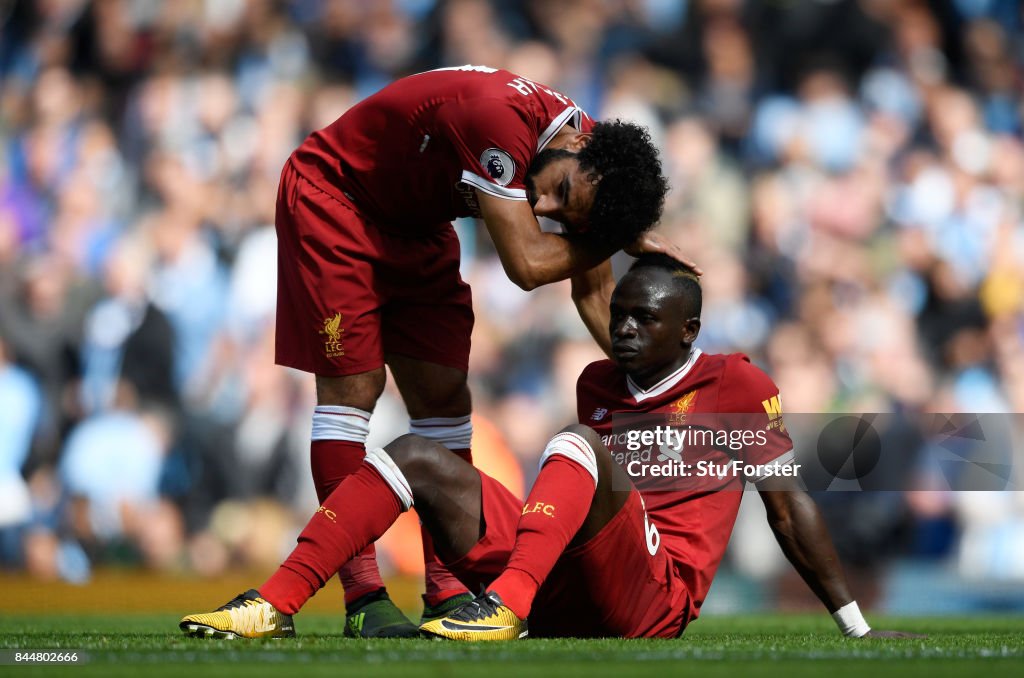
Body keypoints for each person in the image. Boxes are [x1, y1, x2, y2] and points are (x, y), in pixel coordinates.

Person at [180, 254, 915, 640]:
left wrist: (853, 625)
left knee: (580, 444)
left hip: (656, 599)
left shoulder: (739, 385)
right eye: (619, 316)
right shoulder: (599, 380)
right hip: (567, 580)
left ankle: (502, 604)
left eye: (643, 320)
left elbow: (788, 510)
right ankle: (273, 603)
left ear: (687, 332)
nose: (623, 330)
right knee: (414, 455)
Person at [272, 63, 673, 637]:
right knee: (354, 389)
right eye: (560, 194)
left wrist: (653, 388)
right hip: (337, 200)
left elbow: (593, 287)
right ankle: (363, 596)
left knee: (444, 398)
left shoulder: (586, 154)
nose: (546, 209)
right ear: (580, 144)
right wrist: (606, 237)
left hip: (419, 220)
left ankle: (446, 589)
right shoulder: (498, 121)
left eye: (565, 215)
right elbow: (530, 267)